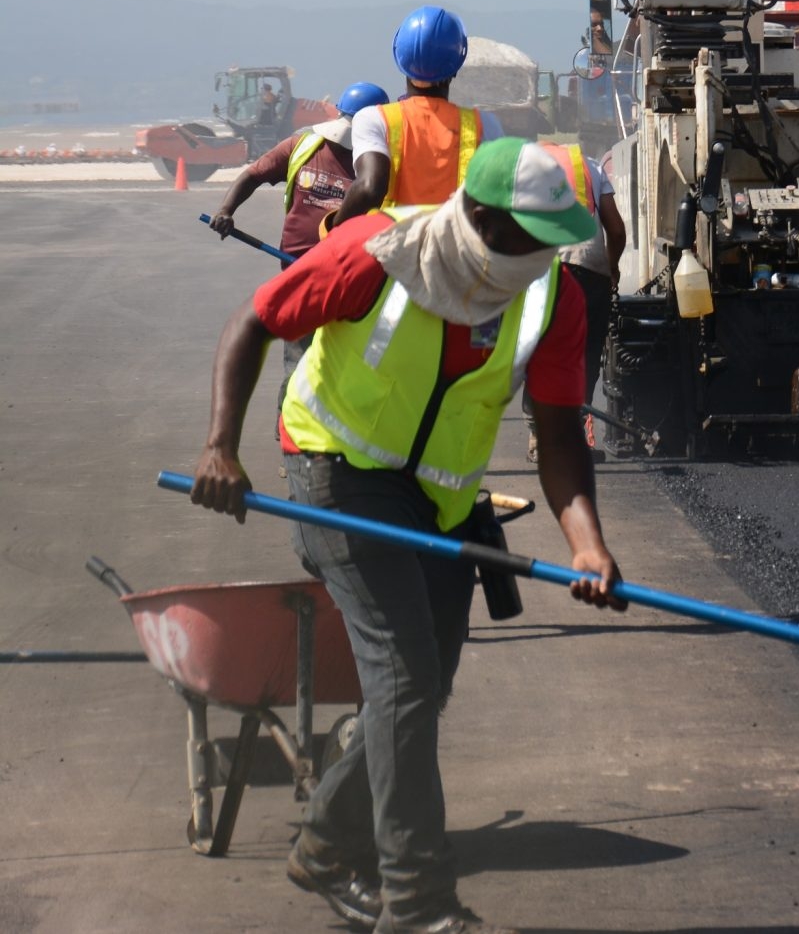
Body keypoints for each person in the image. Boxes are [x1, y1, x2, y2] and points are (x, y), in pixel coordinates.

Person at [188, 138, 626, 934]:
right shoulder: (375, 251)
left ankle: (323, 841)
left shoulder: (551, 296)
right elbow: (252, 321)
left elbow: (560, 436)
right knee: (403, 672)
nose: (553, 252)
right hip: (336, 471)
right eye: (537, 236)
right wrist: (221, 445)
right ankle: (417, 902)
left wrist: (587, 545)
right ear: (484, 218)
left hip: (444, 504)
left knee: (423, 685)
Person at [331, 6, 502, 225]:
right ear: (456, 67)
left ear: (400, 60)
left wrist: (333, 233)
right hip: (453, 253)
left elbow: (369, 187)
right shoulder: (485, 125)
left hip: (390, 250)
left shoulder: (373, 119)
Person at [523, 141, 627, 462]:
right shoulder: (592, 166)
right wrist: (611, 268)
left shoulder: (523, 169)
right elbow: (616, 229)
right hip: (590, 271)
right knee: (583, 356)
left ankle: (539, 437)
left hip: (544, 272)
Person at [211, 83, 390, 264]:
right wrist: (225, 211)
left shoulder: (383, 164)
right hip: (294, 259)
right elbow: (252, 175)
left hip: (347, 263)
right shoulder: (301, 146)